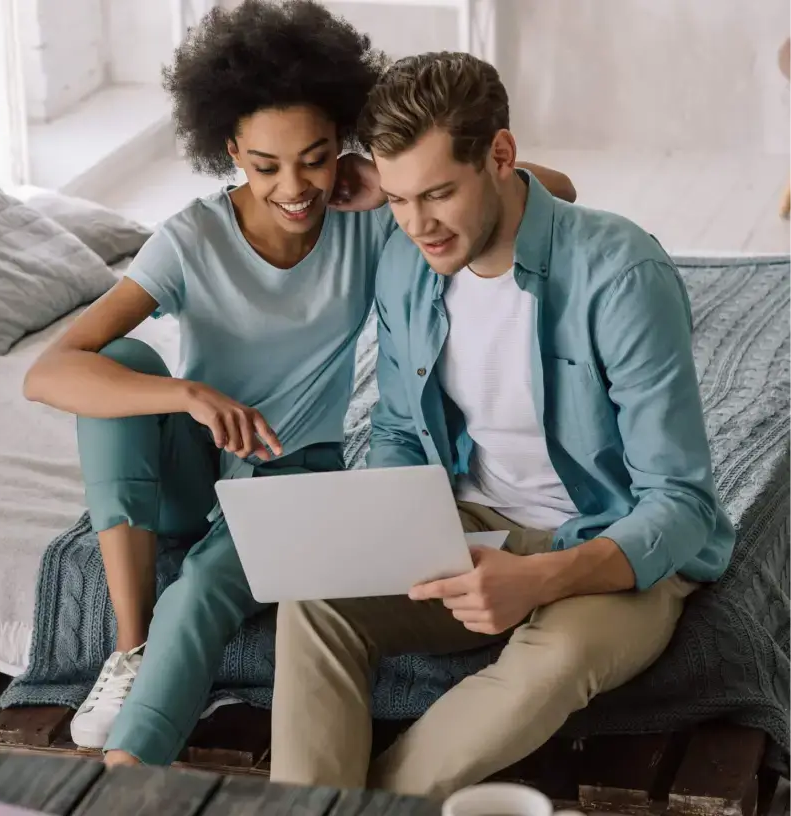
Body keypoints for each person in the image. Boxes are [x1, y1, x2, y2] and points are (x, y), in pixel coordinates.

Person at [23, 3, 576, 764]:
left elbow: (558, 189)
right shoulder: (192, 238)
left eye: (316, 158)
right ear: (229, 150)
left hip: (291, 476)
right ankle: (130, 649)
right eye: (265, 164)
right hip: (195, 468)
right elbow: (50, 369)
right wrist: (188, 395)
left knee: (201, 592)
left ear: (342, 142)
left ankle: (123, 780)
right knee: (130, 368)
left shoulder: (366, 215)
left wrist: (384, 180)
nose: (294, 186)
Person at [268, 51, 736, 798]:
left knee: (549, 666)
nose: (417, 225)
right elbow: (395, 423)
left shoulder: (621, 276)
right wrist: (385, 528)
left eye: (438, 194)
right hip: (470, 518)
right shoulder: (405, 262)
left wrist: (537, 579)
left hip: (606, 541)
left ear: (502, 154)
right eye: (396, 200)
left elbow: (680, 502)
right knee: (315, 598)